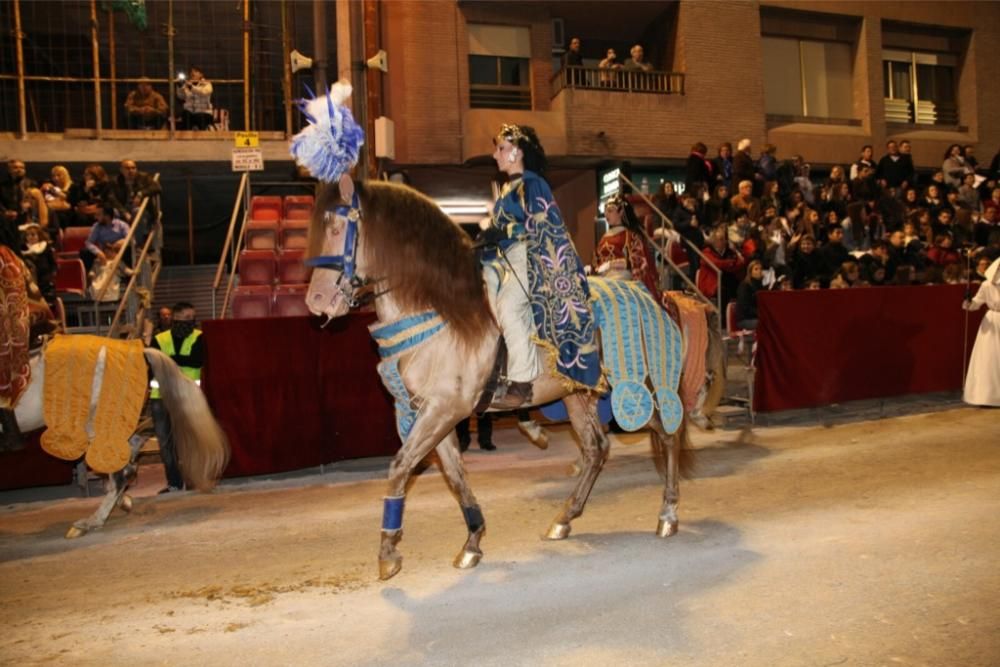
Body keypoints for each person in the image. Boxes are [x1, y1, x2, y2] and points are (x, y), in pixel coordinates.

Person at [480, 124, 602, 405]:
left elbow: (543, 226)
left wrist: (506, 232)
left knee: (509, 307)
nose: (495, 154)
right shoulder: (509, 188)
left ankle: (522, 382)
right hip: (503, 259)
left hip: (528, 255)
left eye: (501, 148)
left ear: (517, 153)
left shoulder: (533, 184)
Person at [149, 302, 204, 491]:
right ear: (176, 318)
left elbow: (197, 360)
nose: (191, 321)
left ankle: (192, 480)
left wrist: (168, 360)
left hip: (189, 396)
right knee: (165, 443)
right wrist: (175, 361)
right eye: (187, 318)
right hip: (161, 396)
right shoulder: (159, 338)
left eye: (193, 318)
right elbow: (151, 365)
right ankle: (173, 482)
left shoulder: (200, 337)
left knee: (189, 441)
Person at [594, 193, 659, 300]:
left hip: (622, 277)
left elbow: (639, 262)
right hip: (604, 276)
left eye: (610, 210)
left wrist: (612, 264)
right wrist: (591, 268)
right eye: (605, 210)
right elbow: (597, 262)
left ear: (621, 212)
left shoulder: (630, 235)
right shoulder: (604, 238)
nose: (606, 214)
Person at [962, 257, 1000, 406]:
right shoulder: (986, 285)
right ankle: (987, 395)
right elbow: (977, 303)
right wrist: (969, 302)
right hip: (991, 321)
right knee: (989, 357)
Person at [81, 206, 130, 274]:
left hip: (119, 251)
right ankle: (90, 276)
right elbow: (88, 243)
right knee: (85, 252)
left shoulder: (122, 225)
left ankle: (126, 276)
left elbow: (131, 239)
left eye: (98, 215)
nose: (96, 217)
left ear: (107, 216)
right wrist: (98, 252)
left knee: (129, 248)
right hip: (105, 251)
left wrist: (124, 241)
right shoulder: (96, 226)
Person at [177, 66, 214, 131]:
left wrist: (192, 88)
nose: (193, 73)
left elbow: (204, 92)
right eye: (192, 71)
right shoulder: (187, 84)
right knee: (185, 114)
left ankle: (202, 136)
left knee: (200, 117)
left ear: (201, 74)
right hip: (190, 113)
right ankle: (187, 137)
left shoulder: (207, 83)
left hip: (204, 112)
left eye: (196, 71)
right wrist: (180, 87)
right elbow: (181, 96)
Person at [735, 259, 764, 330]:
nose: (759, 271)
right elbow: (745, 307)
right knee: (766, 324)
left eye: (760, 269)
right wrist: (760, 313)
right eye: (756, 269)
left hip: (756, 317)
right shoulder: (744, 286)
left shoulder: (760, 286)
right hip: (744, 319)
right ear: (750, 272)